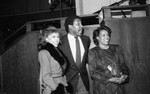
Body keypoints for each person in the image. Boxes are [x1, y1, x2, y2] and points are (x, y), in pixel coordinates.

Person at [88, 25, 129, 94]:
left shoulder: (117, 48)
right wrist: (110, 79)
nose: (107, 37)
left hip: (118, 87)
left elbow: (123, 65)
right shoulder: (92, 52)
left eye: (108, 35)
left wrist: (124, 76)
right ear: (97, 37)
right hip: (102, 87)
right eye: (103, 35)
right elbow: (93, 72)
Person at [59, 15, 91, 94]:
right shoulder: (60, 42)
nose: (81, 26)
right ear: (70, 27)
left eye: (81, 24)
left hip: (83, 82)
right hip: (67, 82)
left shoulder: (86, 39)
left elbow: (87, 59)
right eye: (78, 24)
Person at [38, 26, 68, 94]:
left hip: (61, 84)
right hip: (52, 89)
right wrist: (56, 88)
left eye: (57, 37)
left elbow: (61, 70)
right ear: (46, 39)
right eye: (53, 37)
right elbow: (45, 76)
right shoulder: (43, 53)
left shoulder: (57, 51)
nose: (57, 39)